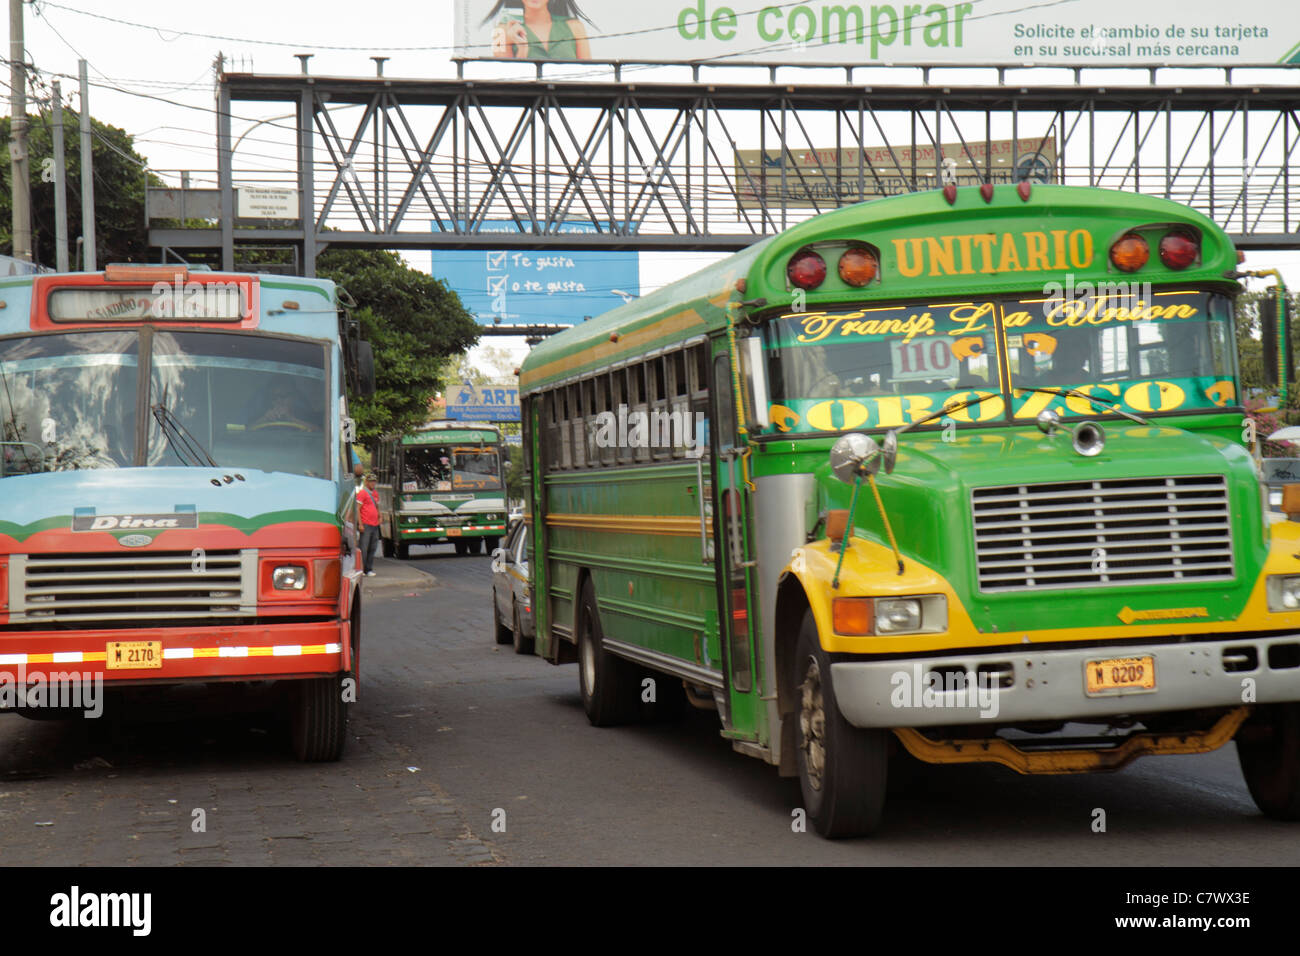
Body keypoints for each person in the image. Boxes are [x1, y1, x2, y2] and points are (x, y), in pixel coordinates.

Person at [486, 0, 592, 60]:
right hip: (525, 97)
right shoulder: (500, 32)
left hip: (568, 96)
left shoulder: (576, 27)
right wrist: (522, 50)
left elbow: (588, 75)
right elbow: (505, 81)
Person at [355, 473, 382, 577]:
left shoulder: (375, 493)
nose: (373, 483)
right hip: (366, 524)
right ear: (366, 482)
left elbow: (377, 506)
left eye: (374, 481)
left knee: (373, 547)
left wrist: (380, 516)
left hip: (374, 524)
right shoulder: (362, 493)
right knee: (364, 548)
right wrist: (360, 524)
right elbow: (358, 508)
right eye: (371, 481)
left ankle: (368, 569)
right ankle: (361, 568)